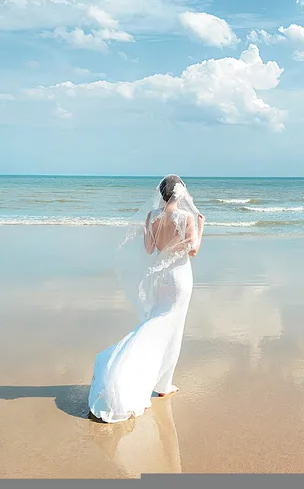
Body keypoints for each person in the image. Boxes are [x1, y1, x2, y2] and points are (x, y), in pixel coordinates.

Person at [88, 175, 204, 423]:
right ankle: (163, 383)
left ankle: (158, 380)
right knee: (172, 327)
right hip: (179, 276)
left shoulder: (152, 216)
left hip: (159, 277)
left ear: (161, 193)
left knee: (158, 320)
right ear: (180, 193)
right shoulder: (186, 217)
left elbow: (150, 249)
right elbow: (193, 250)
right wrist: (201, 227)